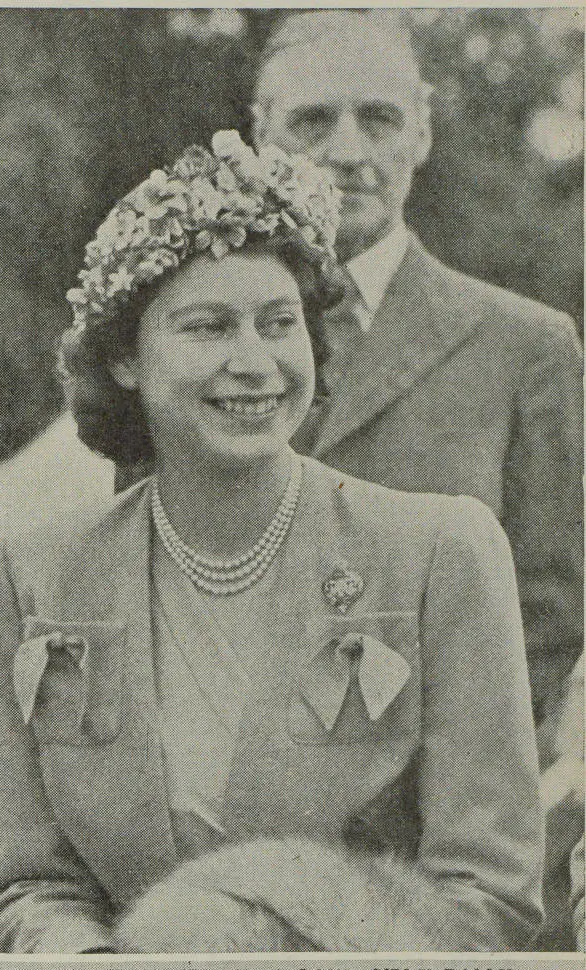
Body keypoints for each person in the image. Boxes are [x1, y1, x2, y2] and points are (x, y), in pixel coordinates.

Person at [0, 132, 543, 953]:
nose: (255, 362)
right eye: (207, 328)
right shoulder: (27, 574)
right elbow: (32, 884)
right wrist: (94, 969)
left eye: (278, 324)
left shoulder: (439, 552)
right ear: (125, 360)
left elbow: (485, 893)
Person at [251, 10, 583, 759]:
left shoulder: (524, 347)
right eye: (311, 122)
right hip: (213, 813)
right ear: (260, 133)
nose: (347, 151)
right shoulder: (187, 338)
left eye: (378, 119)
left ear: (421, 134)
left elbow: (546, 627)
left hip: (424, 828)